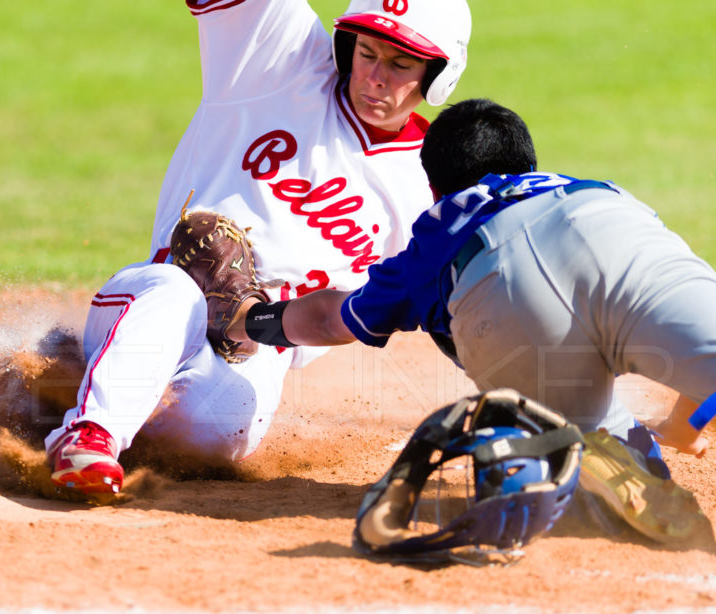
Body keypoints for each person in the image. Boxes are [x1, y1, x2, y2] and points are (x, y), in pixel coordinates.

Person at [229, 98, 716, 540]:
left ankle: (584, 446)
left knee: (608, 480)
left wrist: (248, 319)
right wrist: (682, 426)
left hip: (499, 279)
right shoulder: (598, 187)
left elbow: (328, 320)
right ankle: (596, 445)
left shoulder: (438, 233)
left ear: (435, 186)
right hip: (620, 232)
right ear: (528, 165)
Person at [45, 0, 473, 495]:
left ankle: (70, 390)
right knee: (173, 291)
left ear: (440, 74)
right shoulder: (277, 58)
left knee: (215, 437)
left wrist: (257, 318)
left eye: (400, 64)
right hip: (161, 297)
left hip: (264, 347)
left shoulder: (430, 183)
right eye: (366, 51)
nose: (374, 76)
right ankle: (87, 436)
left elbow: (367, 312)